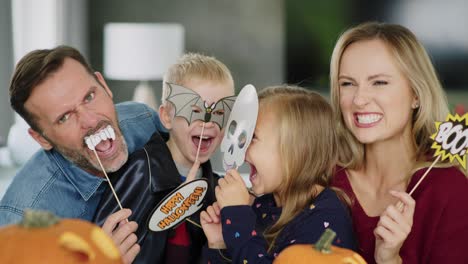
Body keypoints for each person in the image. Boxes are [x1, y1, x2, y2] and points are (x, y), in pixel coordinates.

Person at [0, 46, 165, 263]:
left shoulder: (144, 120)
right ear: (42, 139)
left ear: (103, 85)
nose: (90, 121)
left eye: (89, 97)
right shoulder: (21, 220)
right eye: (64, 118)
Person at [330, 22, 468, 263]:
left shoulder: (450, 191)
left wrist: (390, 260)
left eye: (379, 82)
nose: (359, 100)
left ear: (416, 94)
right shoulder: (322, 177)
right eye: (347, 83)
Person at [93, 53, 236, 263]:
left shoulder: (215, 189)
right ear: (167, 117)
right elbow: (102, 237)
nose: (208, 123)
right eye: (195, 110)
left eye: (220, 113)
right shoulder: (141, 171)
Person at [201, 86, 357, 263]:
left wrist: (238, 216)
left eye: (253, 138)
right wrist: (219, 243)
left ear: (295, 152)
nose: (242, 149)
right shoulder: (264, 205)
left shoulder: (326, 220)